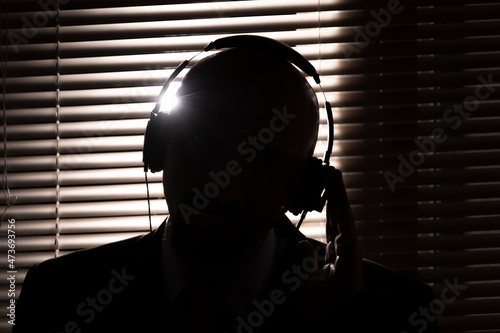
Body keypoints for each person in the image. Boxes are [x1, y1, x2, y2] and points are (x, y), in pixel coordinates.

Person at [14, 39, 439, 333]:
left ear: (305, 188)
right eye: (202, 143)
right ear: (159, 148)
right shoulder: (59, 297)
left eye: (263, 158)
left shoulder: (392, 312)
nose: (224, 185)